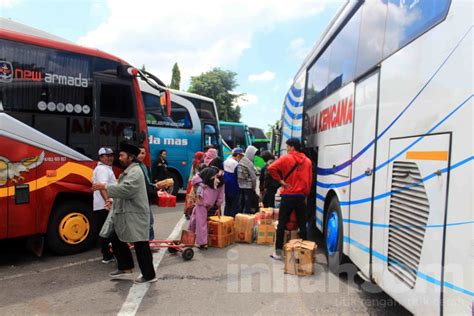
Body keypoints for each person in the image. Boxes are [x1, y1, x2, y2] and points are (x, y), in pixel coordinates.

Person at [92, 141, 156, 284]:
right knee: (116, 237)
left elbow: (127, 190)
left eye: (121, 155)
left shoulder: (135, 172)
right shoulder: (129, 171)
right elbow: (125, 192)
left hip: (135, 215)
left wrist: (105, 186)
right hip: (125, 214)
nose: (118, 158)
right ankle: (125, 267)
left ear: (130, 157)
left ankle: (149, 276)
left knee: (141, 245)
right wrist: (113, 201)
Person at [267, 138, 312, 260]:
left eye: (287, 147)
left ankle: (278, 253)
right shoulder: (307, 161)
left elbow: (271, 168)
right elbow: (309, 181)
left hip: (287, 196)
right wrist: (305, 195)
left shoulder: (286, 158)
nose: (286, 149)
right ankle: (305, 253)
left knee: (282, 223)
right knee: (302, 224)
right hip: (301, 196)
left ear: (292, 147)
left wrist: (281, 181)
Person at [188, 157, 225, 249]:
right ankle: (189, 235)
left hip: (202, 200)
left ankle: (202, 243)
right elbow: (221, 193)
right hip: (211, 202)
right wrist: (218, 204)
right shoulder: (221, 175)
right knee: (194, 216)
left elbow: (194, 180)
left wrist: (201, 184)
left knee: (201, 222)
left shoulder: (206, 170)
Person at [92, 147, 116, 264]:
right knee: (107, 231)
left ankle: (107, 255)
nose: (110, 157)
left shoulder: (105, 168)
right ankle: (107, 255)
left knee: (105, 230)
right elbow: (102, 186)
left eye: (111, 155)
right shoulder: (102, 169)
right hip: (104, 205)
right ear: (101, 157)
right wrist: (108, 201)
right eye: (107, 156)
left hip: (102, 205)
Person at [137, 145, 156, 241]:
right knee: (147, 221)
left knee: (150, 220)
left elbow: (147, 181)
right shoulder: (135, 167)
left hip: (146, 196)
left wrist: (154, 186)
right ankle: (147, 242)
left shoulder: (143, 165)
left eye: (143, 153)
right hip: (140, 198)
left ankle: (149, 241)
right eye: (139, 153)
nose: (141, 155)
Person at [184, 151, 205, 219]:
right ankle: (191, 213)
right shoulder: (199, 164)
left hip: (190, 181)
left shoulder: (194, 162)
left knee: (189, 198)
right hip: (195, 182)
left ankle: (187, 212)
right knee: (194, 198)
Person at [237, 145, 258, 214]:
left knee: (241, 203)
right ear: (250, 153)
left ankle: (240, 217)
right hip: (248, 187)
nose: (254, 156)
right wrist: (254, 187)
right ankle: (246, 219)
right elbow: (253, 177)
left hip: (240, 186)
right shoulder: (249, 162)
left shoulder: (241, 160)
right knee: (247, 204)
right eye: (254, 154)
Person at [223, 148, 243, 217]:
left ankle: (226, 219)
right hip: (234, 186)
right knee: (234, 205)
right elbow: (239, 176)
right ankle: (232, 220)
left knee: (227, 203)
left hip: (226, 186)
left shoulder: (226, 161)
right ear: (237, 155)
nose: (241, 158)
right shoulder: (236, 164)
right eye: (241, 156)